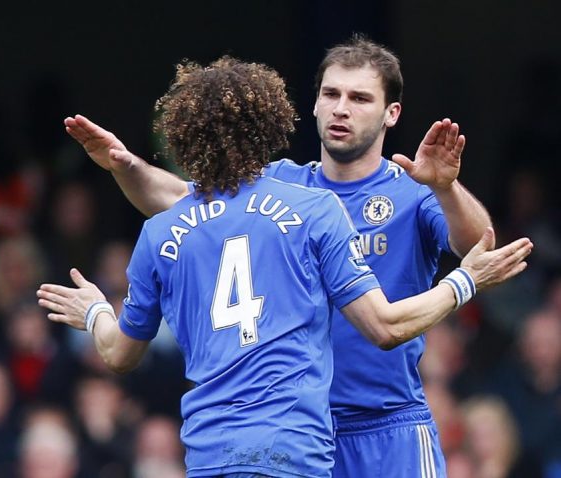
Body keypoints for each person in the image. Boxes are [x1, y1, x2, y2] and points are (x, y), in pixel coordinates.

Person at [38, 56, 531, 477]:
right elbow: (188, 203)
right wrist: (126, 165)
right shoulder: (288, 188)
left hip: (382, 420)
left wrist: (444, 187)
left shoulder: (409, 191)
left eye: (359, 98)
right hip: (305, 432)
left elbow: (476, 243)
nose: (341, 107)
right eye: (331, 93)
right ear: (309, 104)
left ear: (391, 113)